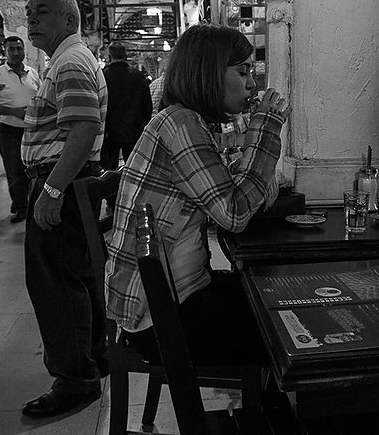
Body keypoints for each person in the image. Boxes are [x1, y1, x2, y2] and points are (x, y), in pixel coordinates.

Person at [105, 24, 287, 366]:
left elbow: (232, 194)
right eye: (242, 72)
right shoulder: (181, 125)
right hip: (160, 318)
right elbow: (234, 213)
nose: (251, 84)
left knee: (271, 299)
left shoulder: (184, 120)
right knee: (281, 327)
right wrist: (265, 130)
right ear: (208, 74)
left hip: (169, 298)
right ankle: (261, 398)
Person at [21, 0, 108, 417]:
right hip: (70, 181)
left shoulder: (70, 61)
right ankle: (93, 356)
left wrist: (52, 190)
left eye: (41, 11)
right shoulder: (67, 59)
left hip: (62, 181)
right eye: (29, 12)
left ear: (69, 19)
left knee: (55, 283)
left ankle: (75, 379)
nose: (31, 19)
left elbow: (83, 129)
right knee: (77, 274)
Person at [0, 36, 41, 223]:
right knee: (14, 171)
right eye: (11, 49)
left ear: (24, 50)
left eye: (19, 48)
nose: (16, 52)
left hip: (33, 131)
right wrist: (13, 112)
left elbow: (40, 97)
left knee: (34, 169)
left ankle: (34, 205)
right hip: (9, 131)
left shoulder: (32, 73)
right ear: (5, 52)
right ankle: (19, 207)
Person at [100, 42, 152, 170]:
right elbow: (147, 105)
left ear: (109, 57)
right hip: (134, 130)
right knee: (133, 169)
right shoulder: (138, 76)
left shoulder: (103, 75)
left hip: (109, 132)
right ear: (125, 56)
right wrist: (143, 124)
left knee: (109, 172)